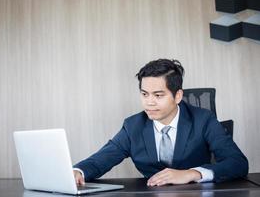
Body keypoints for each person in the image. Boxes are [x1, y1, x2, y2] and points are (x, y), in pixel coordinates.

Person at [73, 59, 248, 187]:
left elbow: (238, 163)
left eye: (158, 95)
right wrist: (77, 172)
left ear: (178, 96)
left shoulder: (204, 120)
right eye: (144, 94)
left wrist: (192, 173)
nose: (149, 102)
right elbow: (99, 161)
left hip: (196, 192)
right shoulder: (133, 126)